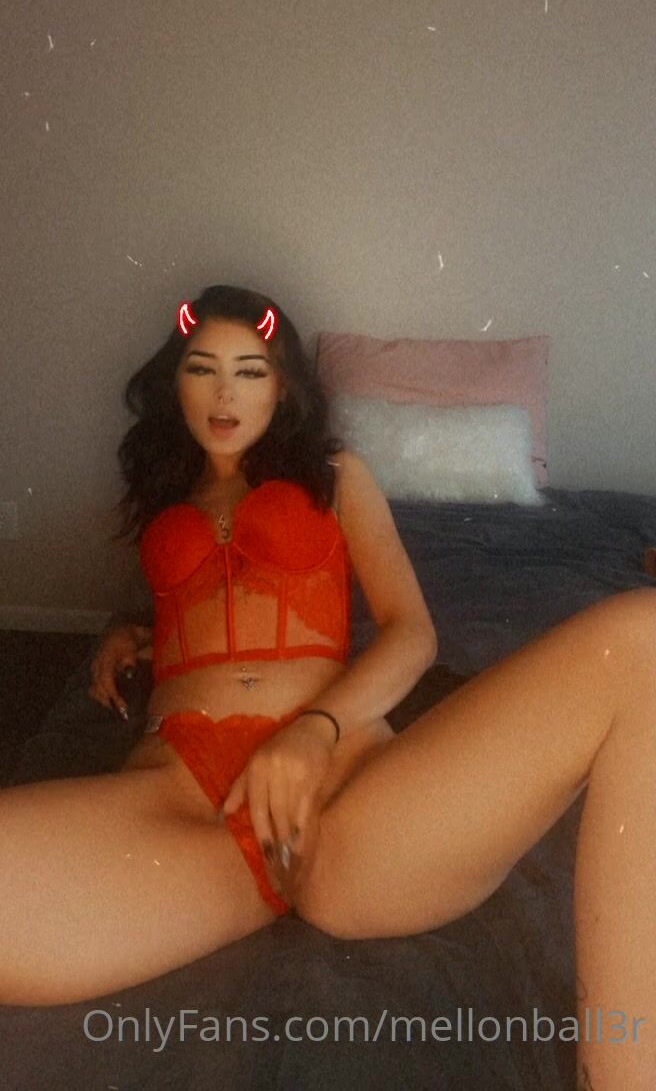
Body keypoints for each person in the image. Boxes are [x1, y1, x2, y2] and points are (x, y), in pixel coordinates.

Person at [1, 284, 654, 1091]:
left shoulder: (336, 476)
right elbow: (198, 609)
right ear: (177, 382)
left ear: (283, 387)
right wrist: (127, 632)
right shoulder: (169, 498)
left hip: (347, 791)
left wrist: (315, 728)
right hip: (185, 805)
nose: (226, 394)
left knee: (641, 641)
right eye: (203, 369)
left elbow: (412, 634)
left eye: (250, 371)